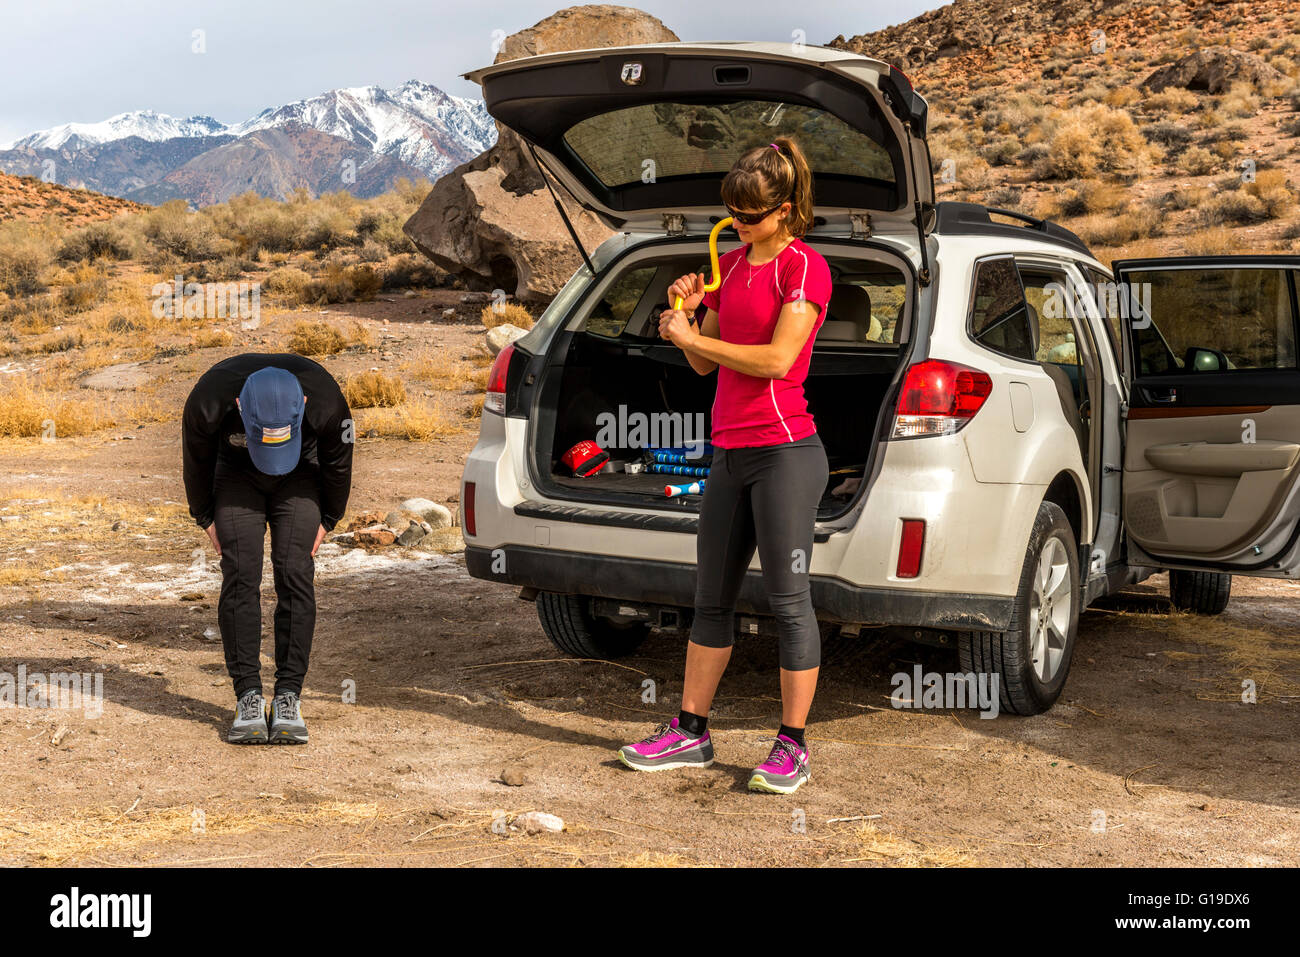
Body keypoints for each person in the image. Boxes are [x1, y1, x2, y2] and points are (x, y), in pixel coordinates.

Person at [618, 137, 833, 793]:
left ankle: (791, 746)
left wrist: (693, 333)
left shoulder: (804, 269)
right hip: (731, 453)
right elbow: (705, 363)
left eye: (752, 215)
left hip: (786, 451)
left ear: (786, 208)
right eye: (733, 214)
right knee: (709, 598)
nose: (739, 226)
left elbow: (775, 361)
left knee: (788, 600)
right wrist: (683, 318)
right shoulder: (730, 268)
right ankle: (691, 730)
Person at [182, 353, 353, 745]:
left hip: (301, 474)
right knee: (241, 571)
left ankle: (289, 697)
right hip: (237, 471)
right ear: (240, 406)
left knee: (295, 570)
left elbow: (339, 465)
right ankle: (248, 697)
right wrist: (205, 515)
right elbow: (196, 461)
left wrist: (329, 518)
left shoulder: (327, 403)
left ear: (303, 406)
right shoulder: (208, 401)